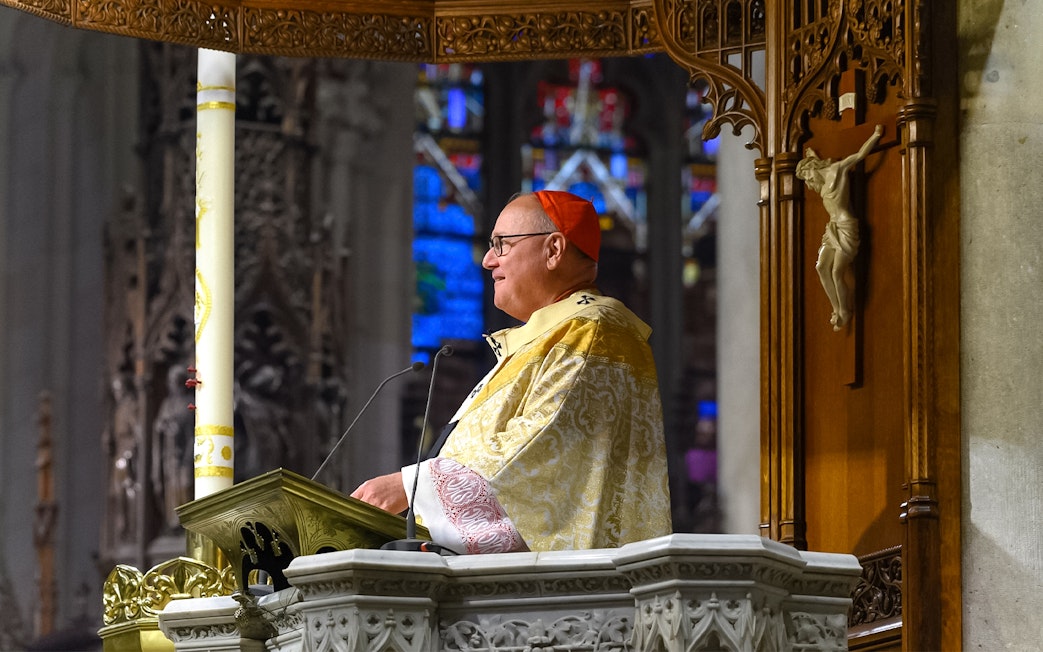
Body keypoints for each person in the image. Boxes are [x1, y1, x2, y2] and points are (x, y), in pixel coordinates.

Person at [351, 190, 671, 553]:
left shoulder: (594, 331)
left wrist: (411, 486)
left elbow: (537, 452)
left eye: (502, 244)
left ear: (553, 250)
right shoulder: (541, 339)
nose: (488, 260)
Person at [795, 124, 883, 330]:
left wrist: (876, 134)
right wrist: (813, 156)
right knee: (820, 267)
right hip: (831, 227)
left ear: (812, 169)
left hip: (846, 226)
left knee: (837, 272)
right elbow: (817, 171)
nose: (808, 183)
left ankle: (845, 310)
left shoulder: (838, 170)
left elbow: (861, 155)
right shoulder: (820, 174)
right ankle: (837, 308)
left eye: (807, 177)